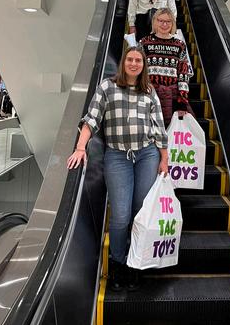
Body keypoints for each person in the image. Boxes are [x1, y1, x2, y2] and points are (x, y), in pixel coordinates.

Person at [67, 46, 168, 291]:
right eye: (130, 59)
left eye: (138, 61)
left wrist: (164, 159)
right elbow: (91, 119)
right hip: (117, 157)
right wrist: (80, 147)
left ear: (143, 65)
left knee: (140, 212)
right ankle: (118, 263)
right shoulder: (107, 87)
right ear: (123, 63)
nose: (134, 64)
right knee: (121, 215)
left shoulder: (149, 90)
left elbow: (159, 128)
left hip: (147, 155)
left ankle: (135, 263)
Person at [140, 8, 193, 126]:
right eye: (161, 21)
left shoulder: (180, 45)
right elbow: (139, 70)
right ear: (155, 21)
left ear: (173, 23)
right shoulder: (144, 43)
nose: (164, 24)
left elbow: (183, 74)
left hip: (172, 96)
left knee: (171, 131)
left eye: (168, 21)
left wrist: (182, 101)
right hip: (149, 94)